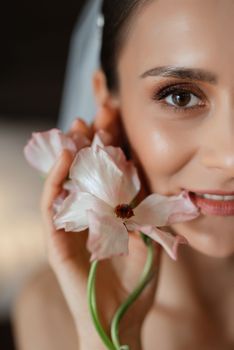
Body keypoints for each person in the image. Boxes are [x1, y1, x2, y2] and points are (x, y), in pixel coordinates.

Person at [14, 0, 234, 349]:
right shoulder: (52, 311)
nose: (230, 158)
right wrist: (109, 334)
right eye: (180, 97)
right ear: (107, 100)